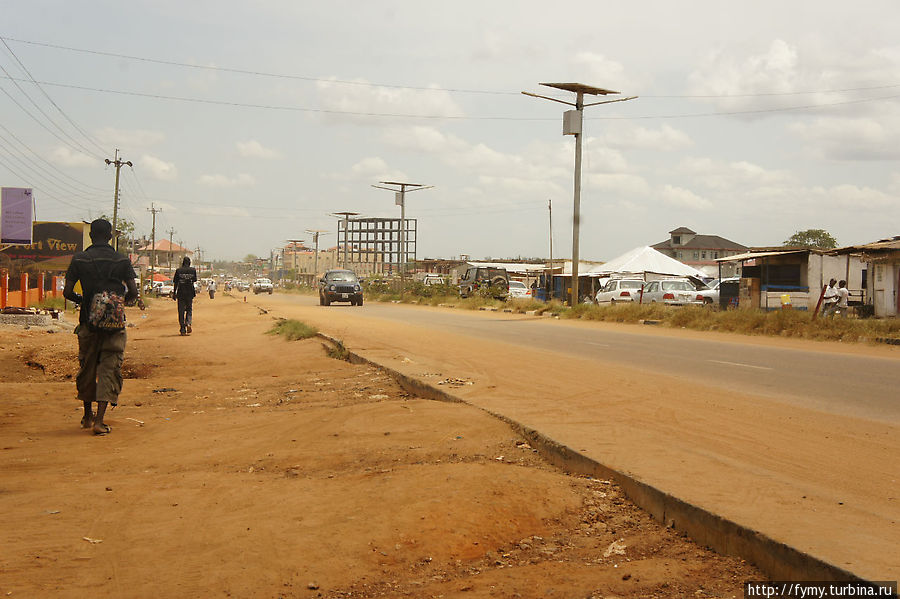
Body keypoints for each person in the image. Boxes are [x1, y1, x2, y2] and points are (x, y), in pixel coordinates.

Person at [63, 219, 139, 436]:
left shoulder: (80, 259)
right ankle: (100, 421)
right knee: (109, 368)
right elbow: (133, 291)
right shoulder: (122, 260)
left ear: (90, 236)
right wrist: (119, 302)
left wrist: (83, 300)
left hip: (87, 323)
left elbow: (67, 292)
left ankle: (87, 416)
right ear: (110, 237)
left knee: (87, 366)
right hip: (114, 326)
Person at [172, 256, 198, 335]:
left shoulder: (178, 271)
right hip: (190, 293)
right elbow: (194, 280)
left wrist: (174, 293)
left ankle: (182, 328)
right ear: (189, 263)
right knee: (189, 309)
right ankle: (188, 323)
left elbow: (176, 282)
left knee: (181, 311)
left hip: (181, 293)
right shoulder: (193, 270)